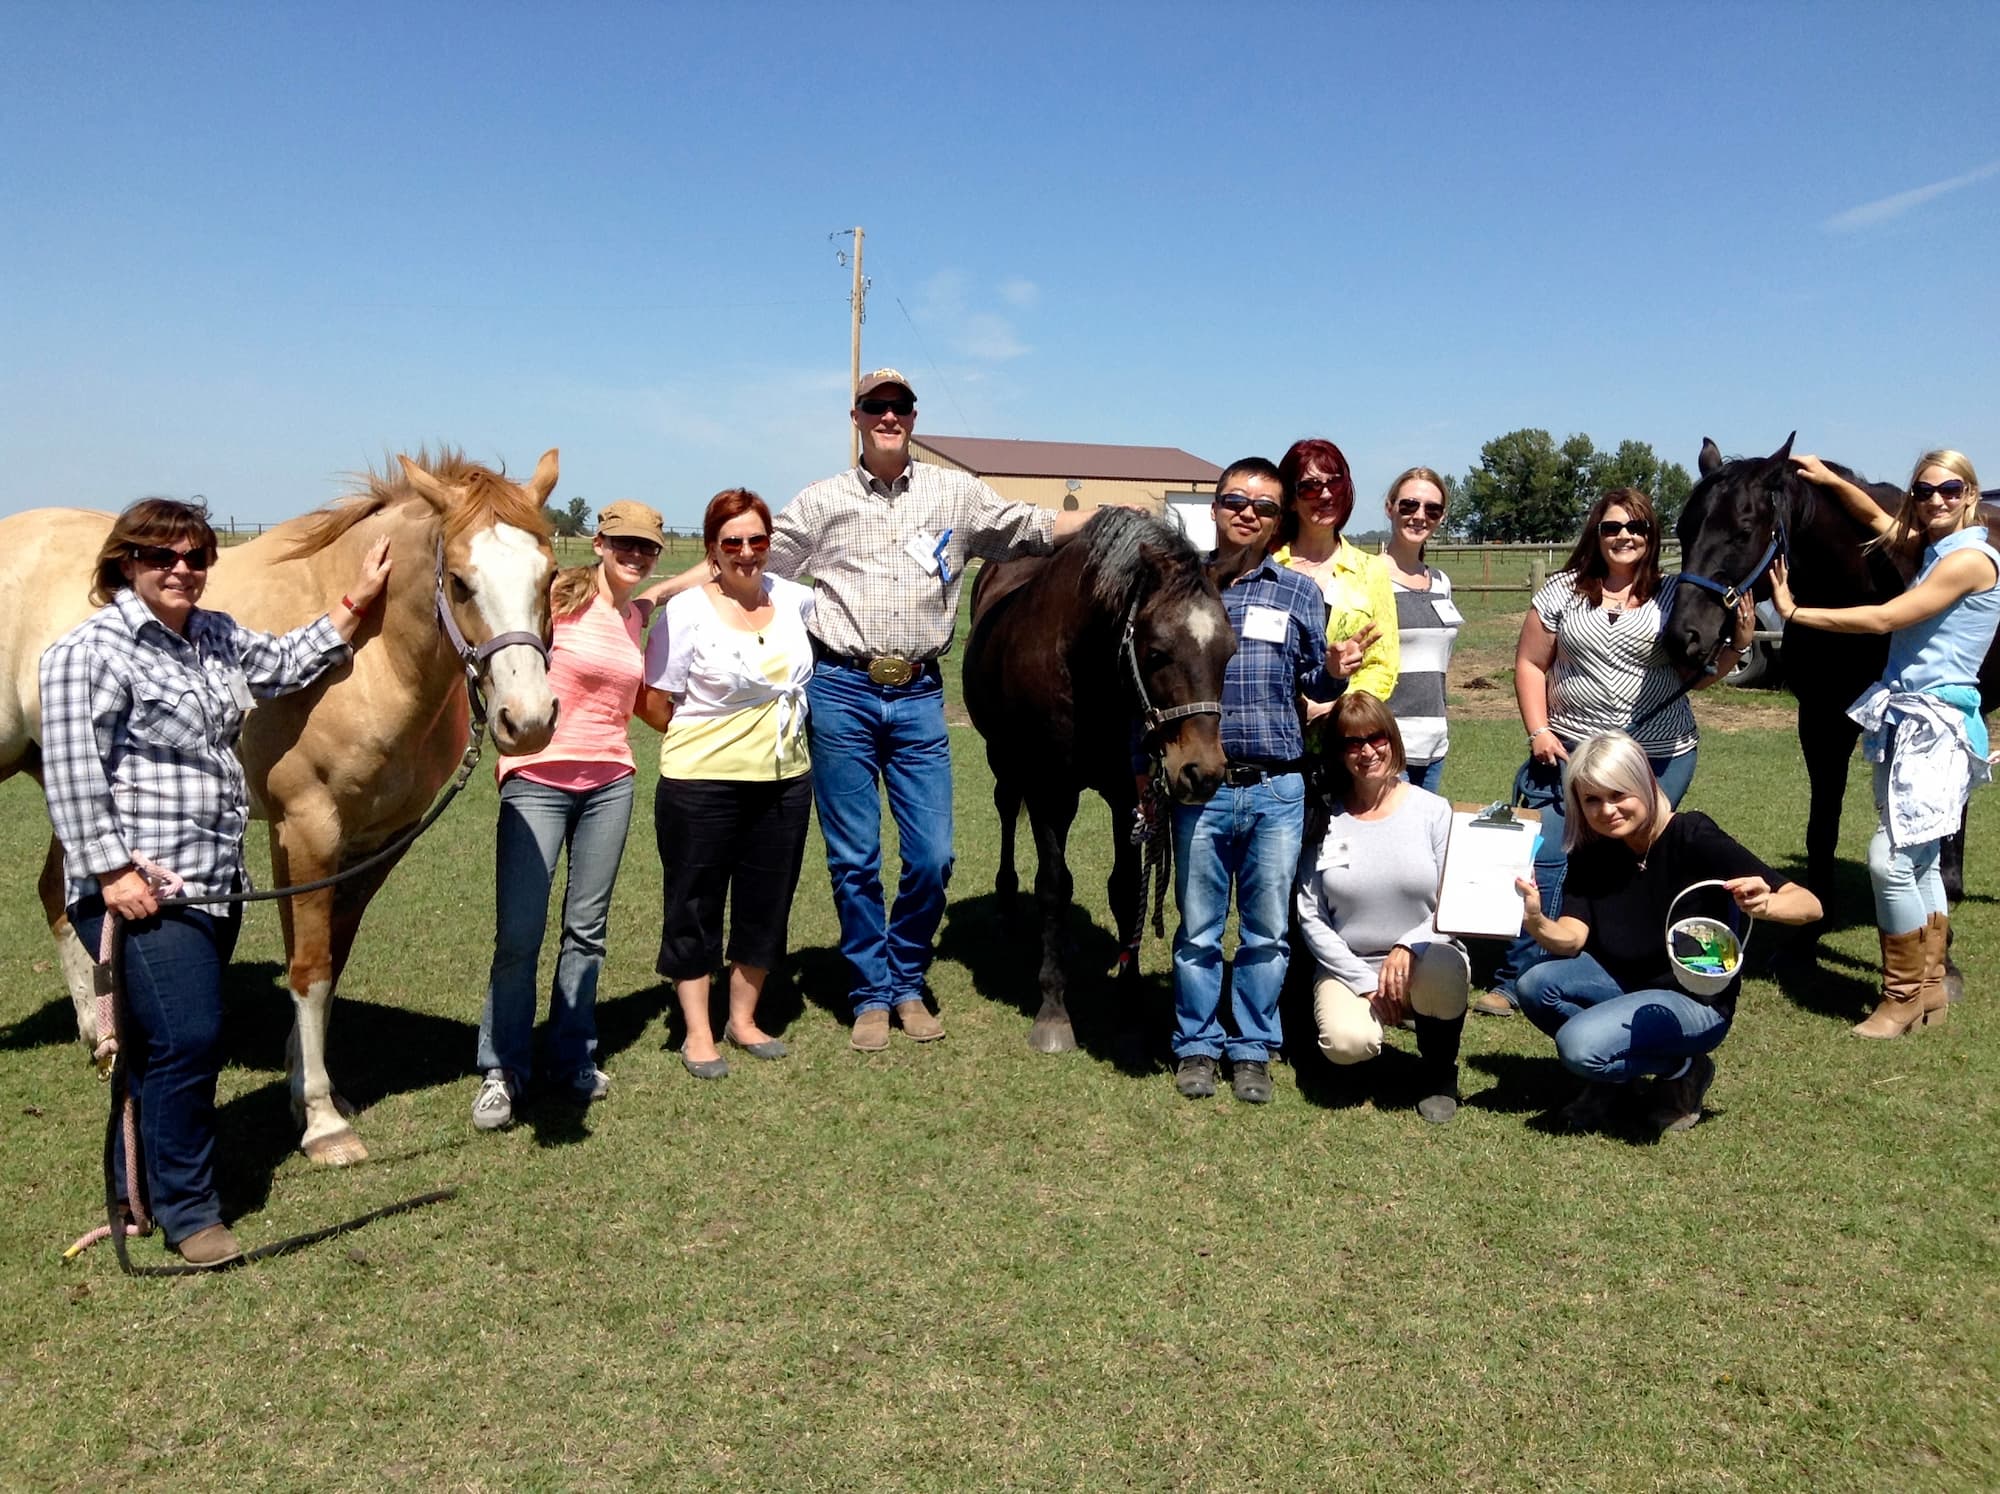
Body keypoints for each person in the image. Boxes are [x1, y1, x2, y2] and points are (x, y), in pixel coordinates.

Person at [642, 371, 1107, 1051]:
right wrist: (658, 595)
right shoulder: (822, 501)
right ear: (856, 416)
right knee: (856, 859)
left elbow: (1034, 526)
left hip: (919, 695)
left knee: (933, 857)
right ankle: (871, 992)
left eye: (900, 407)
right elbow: (742, 560)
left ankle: (907, 978)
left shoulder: (956, 495)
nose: (889, 416)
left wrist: (1112, 519)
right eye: (876, 406)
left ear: (913, 417)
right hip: (842, 691)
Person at [42, 499, 391, 1266]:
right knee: (190, 1038)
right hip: (141, 888)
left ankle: (135, 1189)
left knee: (156, 1043)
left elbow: (288, 660)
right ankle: (189, 1210)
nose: (182, 570)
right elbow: (71, 777)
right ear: (125, 562)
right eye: (161, 556)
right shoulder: (86, 653)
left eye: (196, 557)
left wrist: (357, 600)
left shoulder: (216, 637)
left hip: (212, 883)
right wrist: (113, 872)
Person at [1476, 487, 1753, 1017]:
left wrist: (1738, 644)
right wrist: (1539, 731)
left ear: (1651, 536)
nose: (1624, 536)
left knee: (1632, 858)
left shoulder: (1671, 595)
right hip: (1569, 752)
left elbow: (1695, 677)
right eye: (1612, 527)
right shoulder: (1561, 592)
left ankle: (1623, 965)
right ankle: (1516, 976)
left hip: (1655, 754)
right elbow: (1531, 664)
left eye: (1637, 527)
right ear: (1596, 534)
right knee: (1546, 857)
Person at [1778, 450, 1999, 1038]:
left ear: (1970, 493)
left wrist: (1794, 612)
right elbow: (1878, 520)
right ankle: (1929, 987)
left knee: (1891, 860)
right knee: (1920, 862)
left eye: (1949, 489)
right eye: (1923, 491)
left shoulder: (1969, 560)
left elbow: (1884, 619)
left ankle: (1899, 998)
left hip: (1937, 724)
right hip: (1911, 719)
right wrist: (1829, 480)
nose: (1935, 500)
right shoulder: (1934, 548)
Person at [1513, 732, 1822, 1133]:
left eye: (1618, 794)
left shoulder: (1692, 835)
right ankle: (1621, 1075)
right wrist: (1536, 920)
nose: (1607, 810)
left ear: (1644, 782)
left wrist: (1766, 905)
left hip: (1693, 999)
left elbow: (1809, 905)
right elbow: (1572, 938)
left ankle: (1684, 1068)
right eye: (1592, 800)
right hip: (1625, 984)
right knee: (1535, 984)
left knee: (1579, 1047)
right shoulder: (1594, 848)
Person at [470, 500, 664, 1131]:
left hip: (611, 782)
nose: (635, 555)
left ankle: (572, 1054)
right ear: (599, 544)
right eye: (624, 543)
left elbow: (661, 603)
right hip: (537, 780)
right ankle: (503, 1069)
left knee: (587, 930)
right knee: (519, 934)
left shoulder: (633, 616)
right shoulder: (556, 598)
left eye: (647, 547)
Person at [1170, 457, 1334, 1104]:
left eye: (1264, 507)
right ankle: (1196, 1044)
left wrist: (1336, 671)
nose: (1248, 513)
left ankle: (1253, 1048)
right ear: (1215, 508)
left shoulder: (1298, 593)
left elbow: (1315, 682)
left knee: (1267, 932)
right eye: (1236, 500)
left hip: (1277, 788)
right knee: (1199, 931)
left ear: (1278, 521)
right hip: (1202, 790)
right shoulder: (1179, 587)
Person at [640, 489, 816, 1078]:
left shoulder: (793, 599)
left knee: (767, 902)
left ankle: (743, 1019)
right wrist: (710, 739)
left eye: (757, 539)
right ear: (712, 549)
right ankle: (697, 1032)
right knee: (694, 904)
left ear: (770, 544)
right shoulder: (687, 612)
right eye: (731, 542)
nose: (746, 552)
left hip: (784, 780)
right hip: (701, 784)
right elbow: (654, 700)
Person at [1295, 693, 1469, 1123]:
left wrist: (1410, 945)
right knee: (1346, 1043)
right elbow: (1311, 914)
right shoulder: (1324, 817)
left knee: (1444, 968)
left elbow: (1456, 897)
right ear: (1339, 752)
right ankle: (1368, 1044)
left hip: (1425, 956)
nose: (1367, 751)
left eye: (1376, 738)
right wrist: (1363, 982)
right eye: (1352, 743)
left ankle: (1439, 1070)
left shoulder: (1433, 811)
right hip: (1350, 962)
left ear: (1392, 739)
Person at [1273, 438, 1398, 704]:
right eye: (1310, 487)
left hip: (1345, 724)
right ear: (1290, 500)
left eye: (1335, 483)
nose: (1326, 495)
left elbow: (1382, 664)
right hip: (1277, 723)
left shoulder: (1371, 571)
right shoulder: (1268, 568)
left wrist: (1334, 706)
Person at [1380, 466, 1462, 792]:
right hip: (1385, 744)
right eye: (1409, 505)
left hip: (1434, 744)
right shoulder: (1368, 576)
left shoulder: (1441, 582)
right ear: (1390, 508)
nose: (1419, 516)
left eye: (1432, 509)